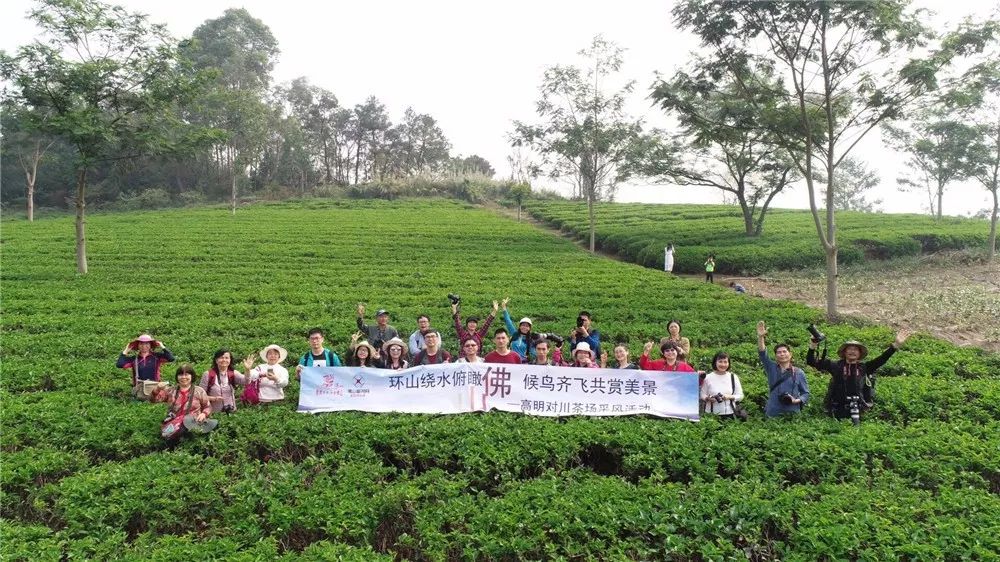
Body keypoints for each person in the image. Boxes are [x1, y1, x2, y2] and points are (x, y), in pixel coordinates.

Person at [807, 329, 910, 421]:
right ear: (844, 352)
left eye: (856, 349)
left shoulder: (864, 367)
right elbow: (811, 362)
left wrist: (895, 345)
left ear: (860, 354)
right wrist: (813, 345)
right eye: (850, 349)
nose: (852, 351)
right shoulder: (835, 365)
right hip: (836, 409)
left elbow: (882, 359)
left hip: (858, 409)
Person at [756, 321, 810, 417]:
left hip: (793, 413)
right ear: (776, 356)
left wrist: (796, 400)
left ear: (790, 354)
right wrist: (761, 337)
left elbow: (805, 393)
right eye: (779, 352)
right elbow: (762, 354)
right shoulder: (771, 367)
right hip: (773, 413)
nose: (782, 354)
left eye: (784, 351)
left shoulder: (799, 372)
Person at [117, 333, 175, 399]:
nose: (144, 346)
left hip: (155, 386)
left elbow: (171, 358)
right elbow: (119, 364)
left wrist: (162, 347)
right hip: (140, 388)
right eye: (141, 344)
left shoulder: (156, 357)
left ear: (150, 345)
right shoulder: (134, 359)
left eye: (147, 344)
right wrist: (126, 350)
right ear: (138, 346)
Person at [163, 364, 214, 432]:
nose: (183, 377)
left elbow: (208, 407)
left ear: (192, 376)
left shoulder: (199, 391)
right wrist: (157, 389)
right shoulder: (171, 391)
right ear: (177, 377)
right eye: (181, 375)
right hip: (174, 425)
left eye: (186, 374)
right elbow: (154, 399)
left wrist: (204, 414)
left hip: (194, 423)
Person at [199, 348, 247, 414]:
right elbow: (200, 396)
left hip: (231, 412)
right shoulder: (208, 374)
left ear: (230, 360)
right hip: (213, 413)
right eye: (221, 357)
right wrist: (214, 398)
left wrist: (247, 370)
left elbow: (246, 382)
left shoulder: (233, 373)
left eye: (227, 358)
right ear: (216, 360)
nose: (224, 360)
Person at [700, 352, 744, 418]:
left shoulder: (733, 377)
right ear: (715, 362)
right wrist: (708, 398)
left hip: (730, 413)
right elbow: (702, 394)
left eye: (725, 362)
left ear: (728, 364)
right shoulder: (708, 377)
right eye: (720, 361)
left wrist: (729, 397)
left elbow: (740, 396)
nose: (723, 364)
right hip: (711, 414)